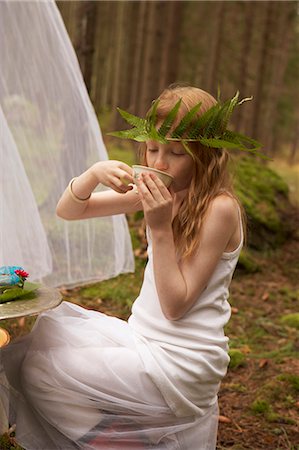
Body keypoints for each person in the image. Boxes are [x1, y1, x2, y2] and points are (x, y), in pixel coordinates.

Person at [0, 85, 259, 450]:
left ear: (206, 155)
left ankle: (125, 444)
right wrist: (92, 175)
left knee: (39, 371)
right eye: (152, 149)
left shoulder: (220, 208)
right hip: (142, 340)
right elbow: (70, 210)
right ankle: (126, 437)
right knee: (39, 345)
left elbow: (175, 306)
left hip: (181, 363)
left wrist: (159, 228)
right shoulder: (160, 192)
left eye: (176, 153)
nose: (159, 164)